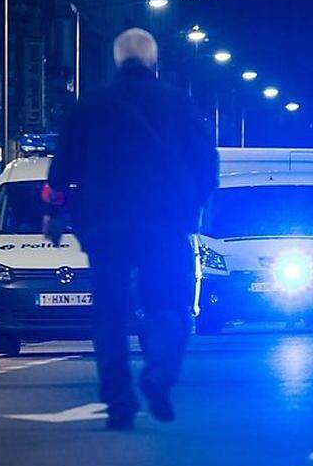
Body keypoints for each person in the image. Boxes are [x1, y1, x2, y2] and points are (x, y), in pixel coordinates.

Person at [47, 28, 218, 431]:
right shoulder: (179, 103)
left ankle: (118, 401)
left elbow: (62, 167)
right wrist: (191, 206)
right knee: (169, 304)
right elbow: (206, 165)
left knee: (109, 312)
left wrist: (55, 213)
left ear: (117, 59)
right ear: (153, 60)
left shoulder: (90, 104)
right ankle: (159, 375)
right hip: (164, 223)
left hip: (104, 224)